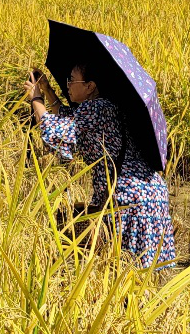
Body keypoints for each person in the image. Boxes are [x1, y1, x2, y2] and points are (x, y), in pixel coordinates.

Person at [24, 63, 175, 268]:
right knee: (145, 272)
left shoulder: (95, 108)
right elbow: (70, 117)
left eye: (72, 80)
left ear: (90, 86)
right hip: (150, 192)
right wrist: (49, 91)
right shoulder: (107, 106)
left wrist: (36, 97)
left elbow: (54, 129)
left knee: (124, 269)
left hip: (128, 198)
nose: (67, 85)